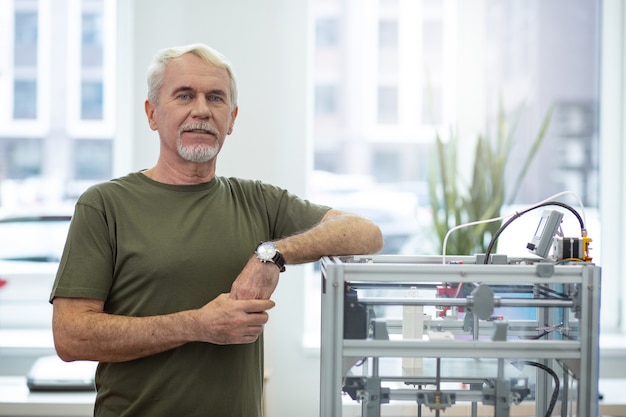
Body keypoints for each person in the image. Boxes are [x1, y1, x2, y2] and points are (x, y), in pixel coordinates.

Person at [50, 43, 383, 417]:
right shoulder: (105, 205)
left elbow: (365, 232)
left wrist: (273, 255)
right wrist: (197, 324)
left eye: (216, 98)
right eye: (184, 95)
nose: (202, 110)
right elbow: (71, 336)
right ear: (152, 113)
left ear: (232, 119)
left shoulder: (257, 200)